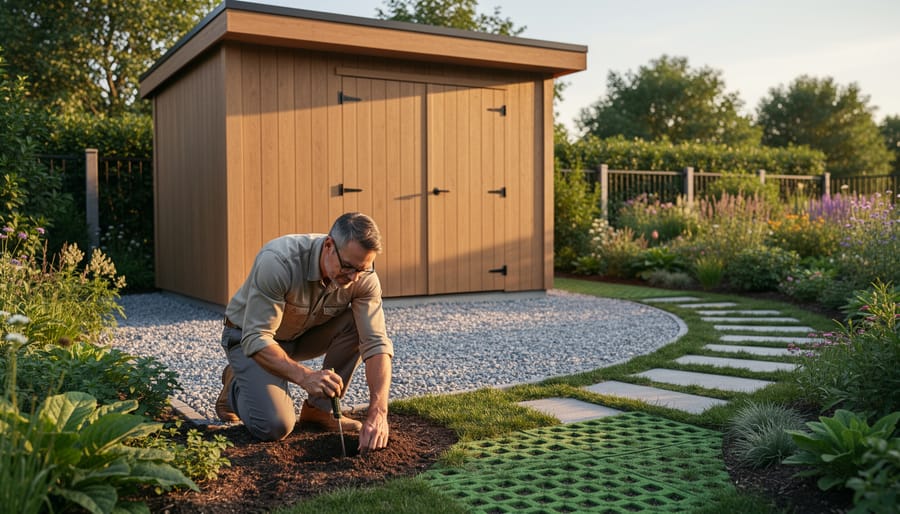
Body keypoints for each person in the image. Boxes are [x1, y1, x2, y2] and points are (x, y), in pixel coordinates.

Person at [216, 212, 393, 452]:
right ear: (329, 246)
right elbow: (256, 337)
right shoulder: (279, 261)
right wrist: (305, 377)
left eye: (362, 269)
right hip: (248, 341)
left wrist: (379, 412)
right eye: (348, 267)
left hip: (299, 338)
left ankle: (318, 410)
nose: (353, 278)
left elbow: (375, 343)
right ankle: (237, 382)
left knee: (356, 324)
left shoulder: (362, 275)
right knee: (275, 426)